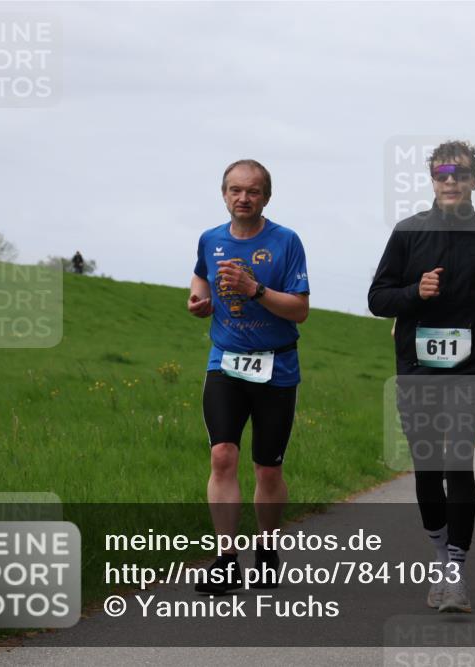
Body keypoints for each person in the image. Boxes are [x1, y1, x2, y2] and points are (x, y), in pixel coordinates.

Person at [368, 140, 475, 613]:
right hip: (417, 368)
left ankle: (455, 570)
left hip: (472, 366)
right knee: (426, 468)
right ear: (431, 180)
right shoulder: (406, 232)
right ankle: (440, 556)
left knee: (457, 462)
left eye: (460, 173)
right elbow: (378, 298)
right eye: (442, 174)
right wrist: (415, 292)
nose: (451, 181)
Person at [188, 159, 310, 593]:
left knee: (267, 470)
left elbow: (300, 309)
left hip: (276, 365)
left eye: (253, 191)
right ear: (224, 194)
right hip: (226, 362)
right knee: (222, 454)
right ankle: (225, 559)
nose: (243, 198)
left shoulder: (286, 242)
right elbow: (200, 280)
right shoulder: (210, 239)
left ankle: (267, 547)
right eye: (235, 190)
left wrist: (253, 289)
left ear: (266, 197)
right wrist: (198, 302)